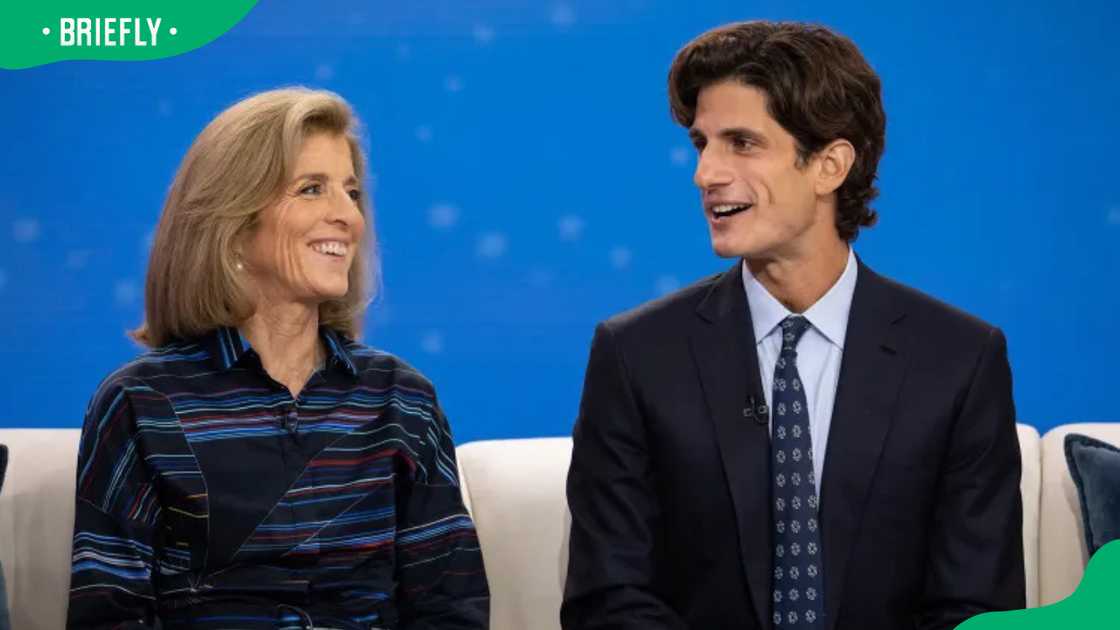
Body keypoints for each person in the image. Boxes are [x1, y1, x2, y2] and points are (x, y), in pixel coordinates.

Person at [562, 21, 1024, 630]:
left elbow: (976, 609)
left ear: (829, 165)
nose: (706, 173)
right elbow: (608, 598)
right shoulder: (636, 355)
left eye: (742, 143)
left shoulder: (959, 360)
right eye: (702, 144)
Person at [67, 88, 489, 629]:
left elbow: (450, 610)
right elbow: (108, 617)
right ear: (234, 225)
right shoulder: (142, 403)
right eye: (312, 189)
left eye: (352, 193)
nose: (347, 217)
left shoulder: (399, 399)